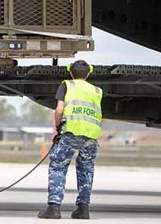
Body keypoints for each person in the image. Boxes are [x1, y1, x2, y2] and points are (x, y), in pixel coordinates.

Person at [38, 60, 102, 220]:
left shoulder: (67, 85)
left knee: (58, 166)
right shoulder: (97, 90)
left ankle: (54, 208)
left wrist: (58, 126)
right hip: (91, 136)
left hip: (71, 132)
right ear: (88, 73)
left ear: (71, 73)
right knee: (86, 170)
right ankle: (83, 209)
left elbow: (60, 109)